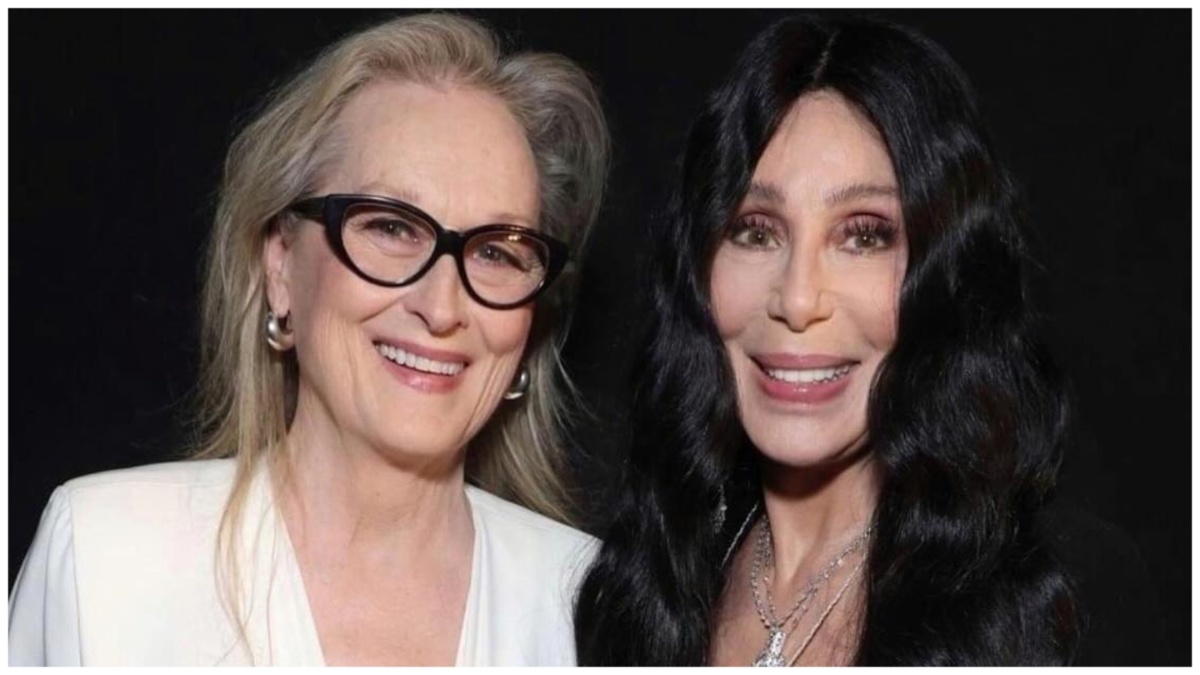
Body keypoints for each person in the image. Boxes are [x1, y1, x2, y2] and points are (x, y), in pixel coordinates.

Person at [9, 12, 609, 666]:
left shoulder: (596, 605)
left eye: (497, 251)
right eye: (390, 227)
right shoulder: (103, 559)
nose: (442, 307)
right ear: (281, 266)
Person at [574, 14, 1166, 666]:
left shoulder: (1060, 598)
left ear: (948, 276)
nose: (798, 298)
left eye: (864, 235)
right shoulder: (642, 584)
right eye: (756, 230)